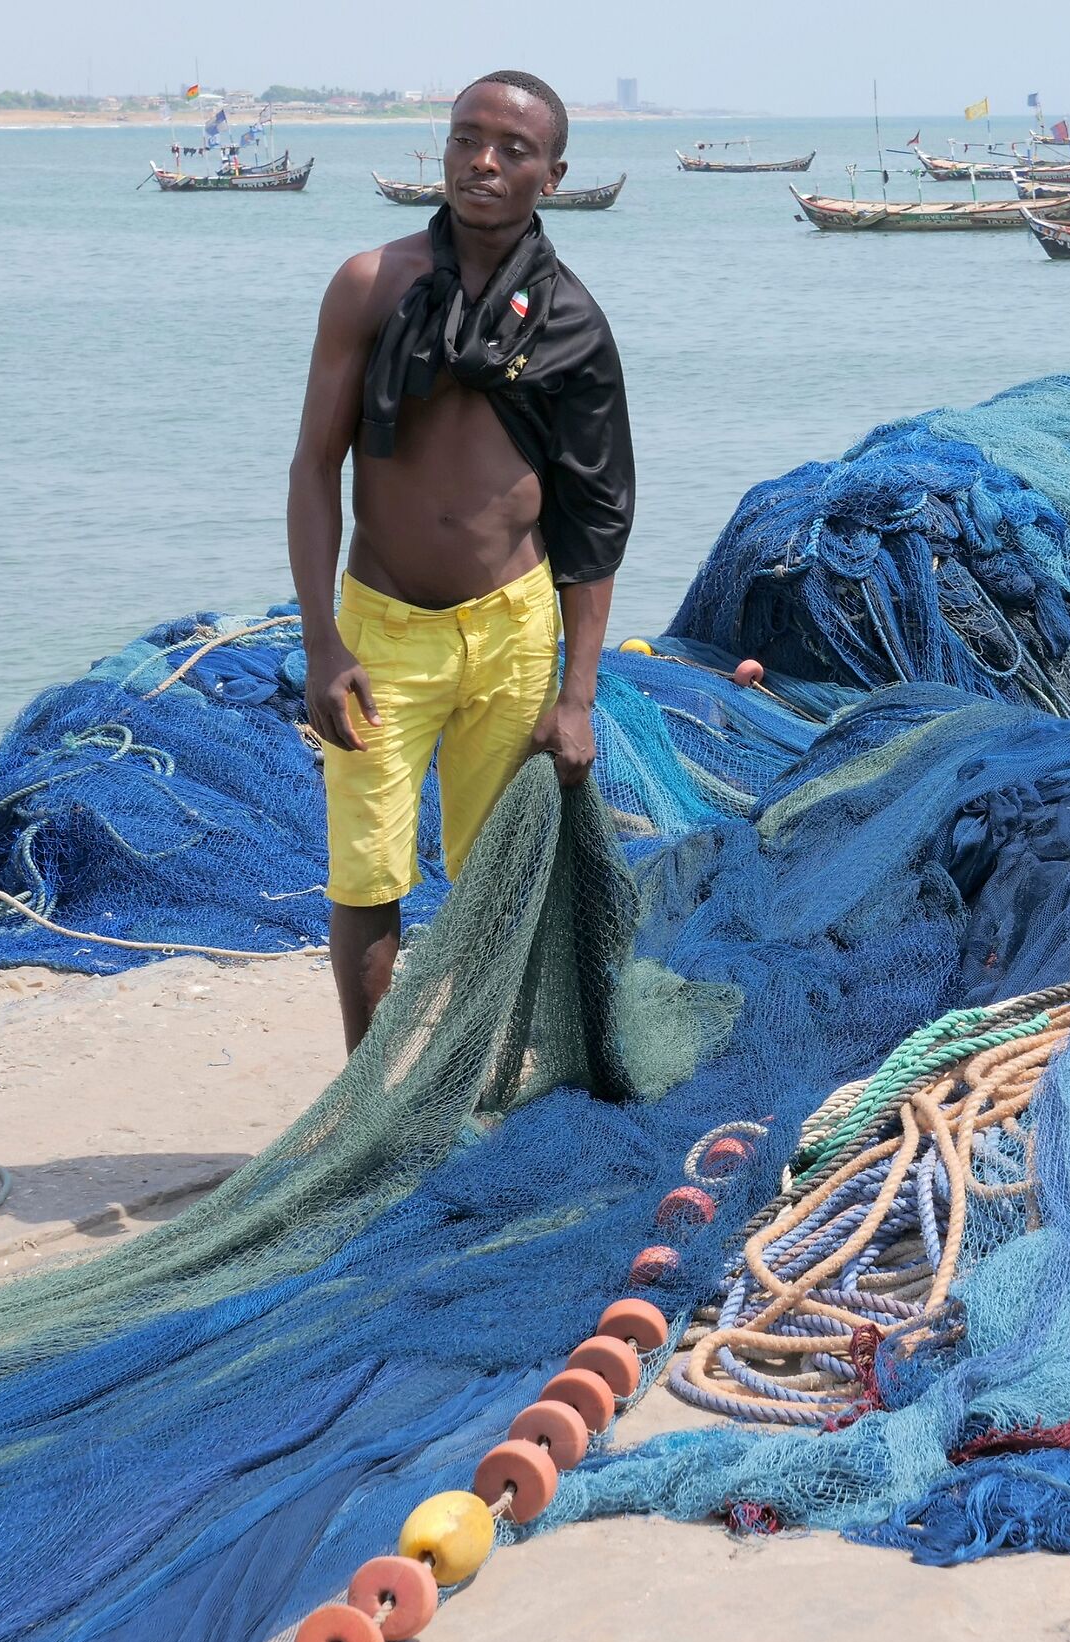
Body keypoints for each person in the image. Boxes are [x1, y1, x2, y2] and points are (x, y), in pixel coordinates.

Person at [286, 69, 632, 1052]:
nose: (484, 162)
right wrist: (322, 640)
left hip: (515, 632)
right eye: (465, 139)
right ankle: (372, 1103)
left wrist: (578, 694)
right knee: (367, 875)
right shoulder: (370, 286)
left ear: (552, 175)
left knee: (496, 882)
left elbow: (596, 520)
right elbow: (314, 471)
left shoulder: (571, 326)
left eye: (513, 149)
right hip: (382, 633)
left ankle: (477, 1082)